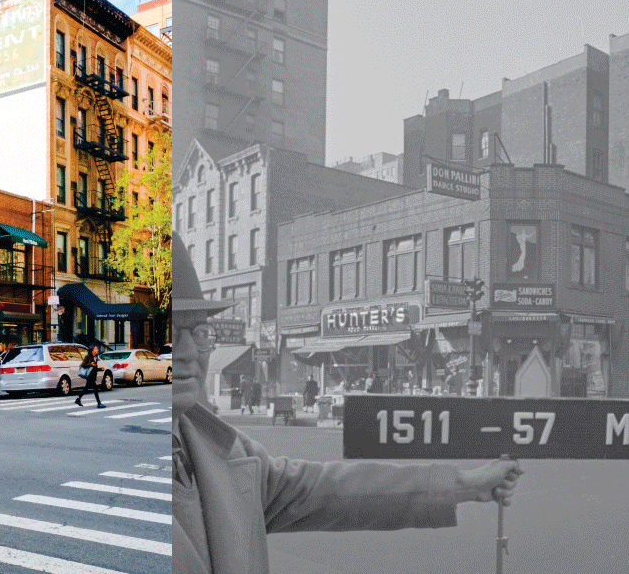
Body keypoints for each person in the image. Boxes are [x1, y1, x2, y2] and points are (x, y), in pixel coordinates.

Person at [171, 235, 522, 574]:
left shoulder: (227, 451)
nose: (188, 352)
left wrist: (463, 484)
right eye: (170, 333)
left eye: (199, 332)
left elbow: (330, 489)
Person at [73, 343, 106, 408]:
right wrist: (90, 364)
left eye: (97, 349)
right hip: (90, 375)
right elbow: (83, 365)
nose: (97, 350)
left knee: (86, 388)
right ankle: (99, 403)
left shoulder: (96, 357)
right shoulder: (88, 357)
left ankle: (78, 399)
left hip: (92, 375)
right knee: (95, 389)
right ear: (92, 350)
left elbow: (94, 368)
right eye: (95, 349)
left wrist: (100, 369)